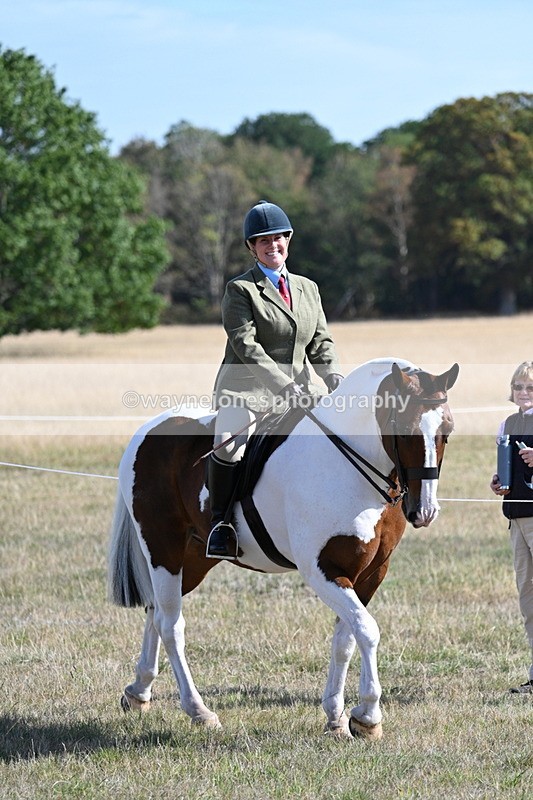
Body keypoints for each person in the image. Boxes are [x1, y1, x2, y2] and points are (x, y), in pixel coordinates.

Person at [206, 200, 343, 560]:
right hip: (247, 390)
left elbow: (320, 341)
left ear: (288, 240)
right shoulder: (240, 291)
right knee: (228, 445)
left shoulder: (308, 288)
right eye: (262, 241)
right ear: (251, 248)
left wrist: (333, 375)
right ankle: (220, 524)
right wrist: (283, 386)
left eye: (277, 238)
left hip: (304, 391)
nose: (272, 246)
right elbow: (246, 346)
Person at [490, 361, 533, 693]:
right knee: (527, 598)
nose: (523, 393)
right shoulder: (507, 424)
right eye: (519, 387)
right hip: (516, 518)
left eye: (530, 387)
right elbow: (505, 470)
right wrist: (498, 481)